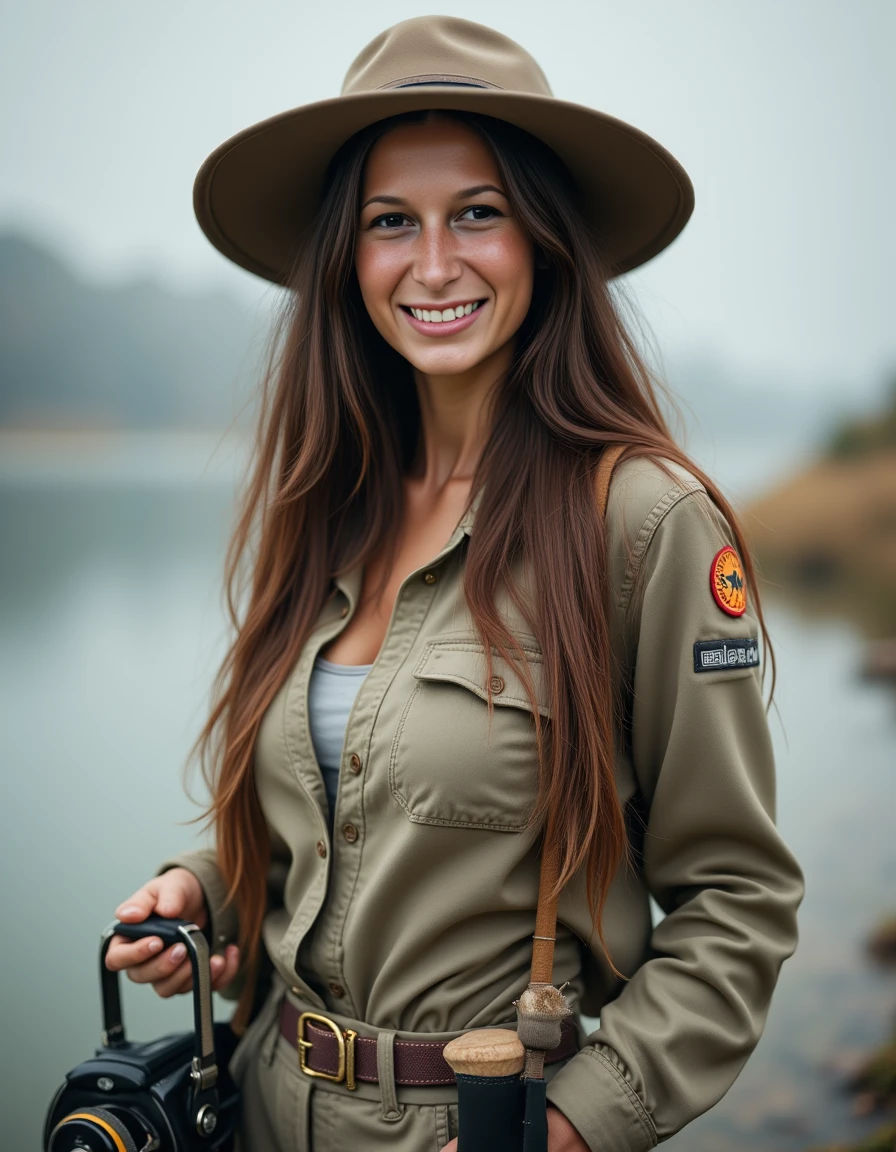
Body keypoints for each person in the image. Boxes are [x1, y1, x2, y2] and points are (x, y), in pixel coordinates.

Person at [105, 15, 805, 1152]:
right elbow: (336, 819)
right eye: (391, 223)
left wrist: (573, 1124)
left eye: (476, 212)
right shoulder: (328, 505)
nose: (433, 264)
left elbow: (736, 902)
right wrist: (204, 892)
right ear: (349, 258)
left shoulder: (641, 522)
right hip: (259, 1103)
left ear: (543, 241)